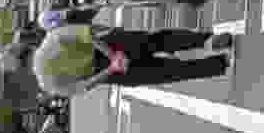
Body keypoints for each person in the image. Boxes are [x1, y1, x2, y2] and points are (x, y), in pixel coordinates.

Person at [29, 16, 232, 101]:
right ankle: (206, 41)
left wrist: (111, 68)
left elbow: (84, 86)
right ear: (29, 47)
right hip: (110, 46)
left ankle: (218, 65)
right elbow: (87, 34)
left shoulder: (47, 84)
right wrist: (112, 51)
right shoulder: (51, 39)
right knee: (158, 41)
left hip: (109, 72)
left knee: (166, 72)